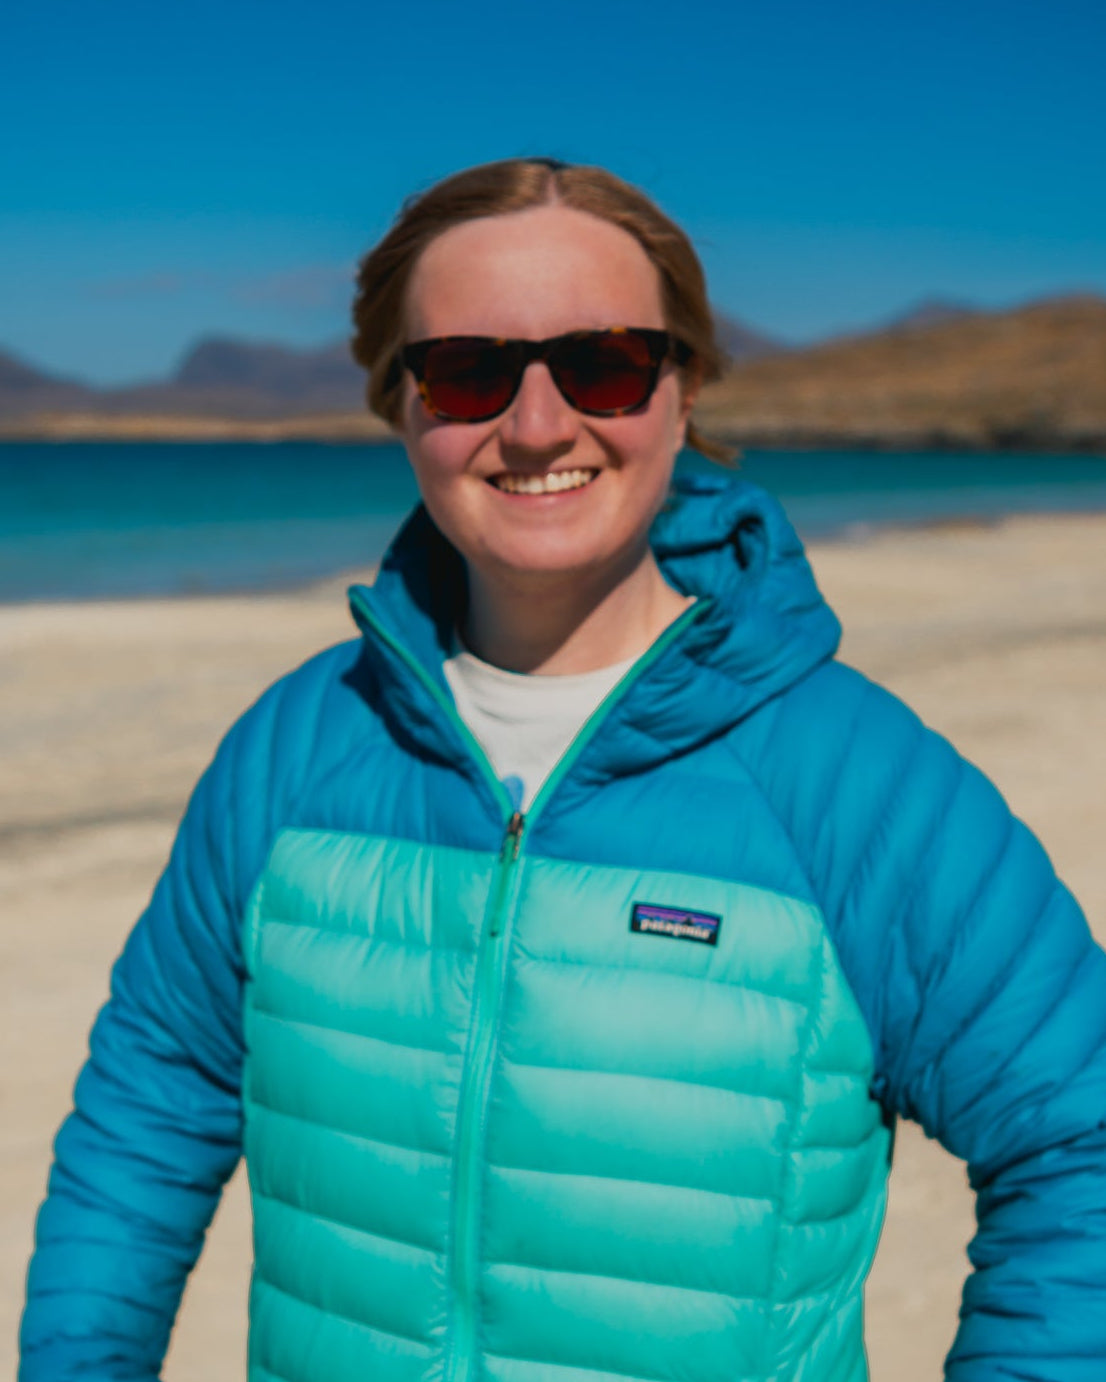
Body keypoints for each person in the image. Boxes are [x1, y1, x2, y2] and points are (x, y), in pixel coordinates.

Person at [19, 157, 1106, 1382]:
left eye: (601, 363)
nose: (536, 425)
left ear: (680, 392)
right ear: (401, 406)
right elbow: (143, 1117)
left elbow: (1081, 1139)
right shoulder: (293, 748)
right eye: (468, 370)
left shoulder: (853, 783)